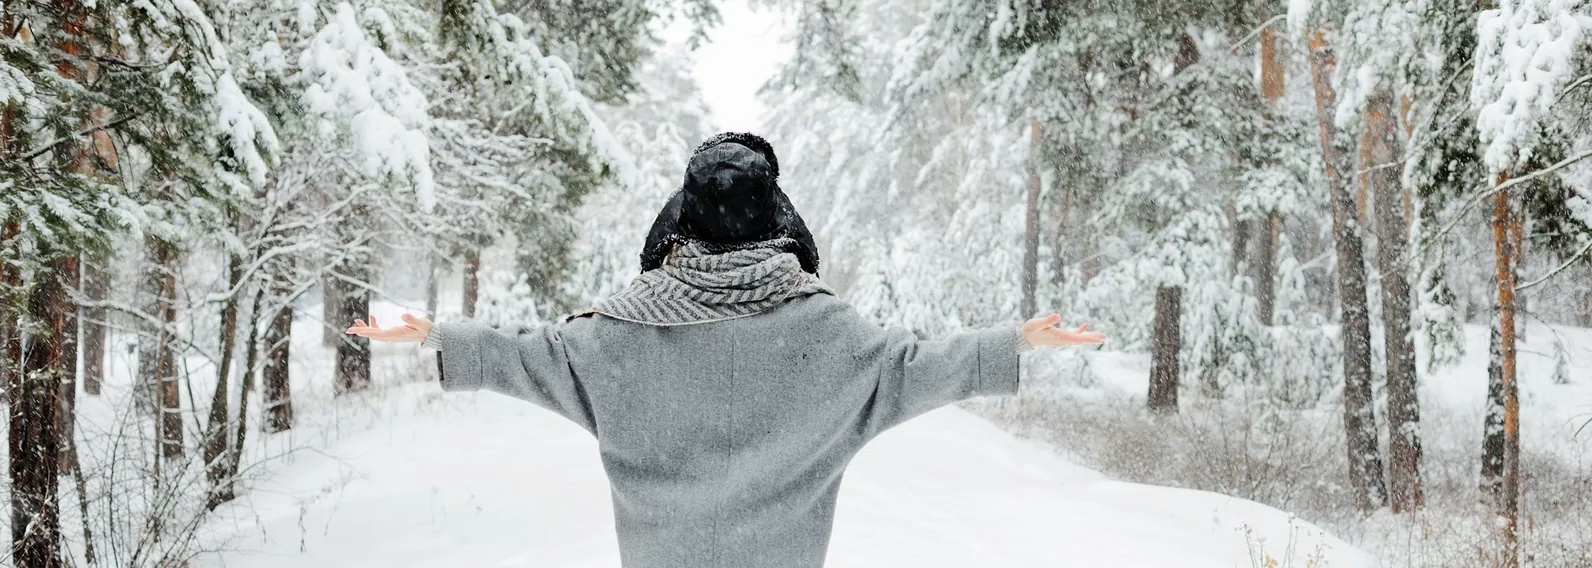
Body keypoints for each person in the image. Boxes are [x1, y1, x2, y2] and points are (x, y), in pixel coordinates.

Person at [345, 132, 1105, 568]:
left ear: (682, 220)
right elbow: (921, 366)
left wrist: (434, 335)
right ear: (776, 217)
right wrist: (1018, 340)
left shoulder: (616, 334)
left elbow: (524, 353)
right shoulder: (832, 336)